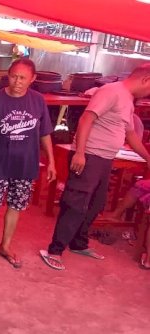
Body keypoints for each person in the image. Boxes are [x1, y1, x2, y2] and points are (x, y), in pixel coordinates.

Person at [40, 63, 150, 271]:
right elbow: (86, 119)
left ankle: (78, 243)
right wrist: (80, 152)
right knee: (75, 204)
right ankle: (54, 250)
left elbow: (130, 134)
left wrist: (147, 157)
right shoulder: (111, 91)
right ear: (146, 80)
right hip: (89, 155)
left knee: (96, 204)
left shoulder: (127, 99)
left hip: (104, 159)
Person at [0, 59, 56, 268]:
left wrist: (52, 162)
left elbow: (45, 133)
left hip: (25, 164)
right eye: (13, 76)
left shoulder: (38, 101)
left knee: (16, 204)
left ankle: (5, 245)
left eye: (22, 78)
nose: (17, 82)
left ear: (33, 79)